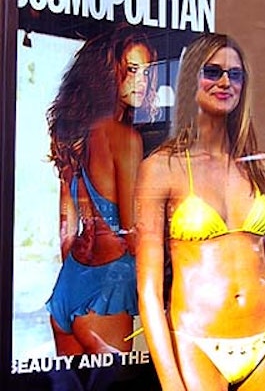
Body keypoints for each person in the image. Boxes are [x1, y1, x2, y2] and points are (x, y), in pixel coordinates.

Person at [134, 33, 265, 390]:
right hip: (197, 339)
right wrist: (169, 380)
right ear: (191, 76)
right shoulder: (162, 168)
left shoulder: (260, 168)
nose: (225, 81)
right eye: (213, 71)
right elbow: (148, 291)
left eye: (235, 74)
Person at [45, 25, 158, 356]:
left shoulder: (73, 137)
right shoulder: (126, 139)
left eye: (147, 71)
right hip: (109, 291)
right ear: (109, 75)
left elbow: (67, 229)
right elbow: (133, 232)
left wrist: (78, 279)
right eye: (131, 70)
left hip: (69, 287)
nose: (142, 81)